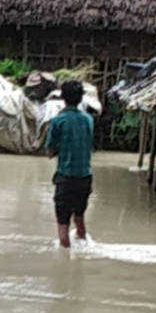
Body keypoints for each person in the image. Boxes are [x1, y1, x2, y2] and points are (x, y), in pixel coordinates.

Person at [45, 80, 94, 248]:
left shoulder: (58, 121)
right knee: (79, 217)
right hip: (85, 177)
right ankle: (84, 247)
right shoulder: (88, 120)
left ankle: (65, 261)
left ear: (62, 98)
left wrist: (60, 147)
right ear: (81, 99)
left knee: (63, 223)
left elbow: (50, 152)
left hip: (66, 177)